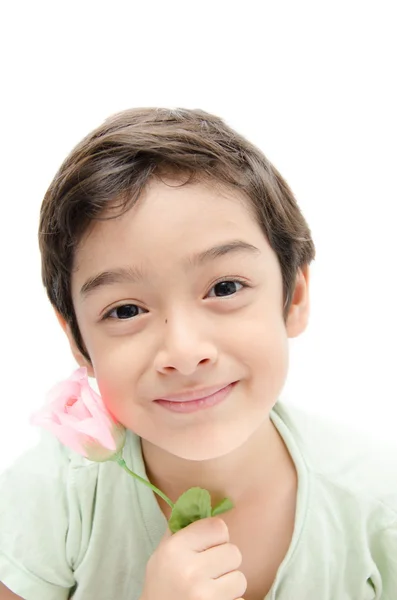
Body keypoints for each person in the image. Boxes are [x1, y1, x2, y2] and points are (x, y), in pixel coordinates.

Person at [0, 107, 396, 600]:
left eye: (225, 286)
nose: (184, 353)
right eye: (125, 311)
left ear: (293, 296)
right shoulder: (54, 499)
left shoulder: (378, 502)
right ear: (78, 340)